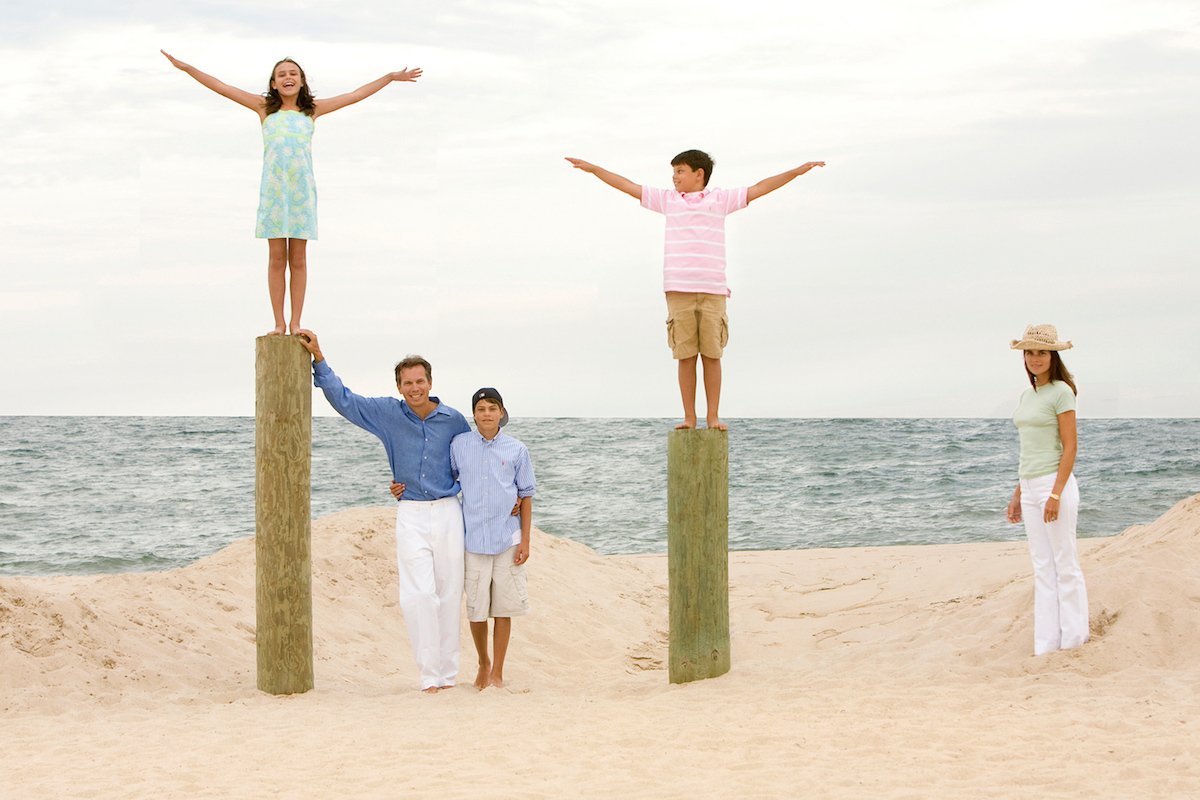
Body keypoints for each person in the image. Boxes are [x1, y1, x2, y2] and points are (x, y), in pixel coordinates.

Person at [161, 51, 422, 335]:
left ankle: (295, 322)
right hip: (274, 193)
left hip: (301, 193)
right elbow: (223, 87)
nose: (288, 77)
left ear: (301, 81)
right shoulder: (264, 108)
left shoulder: (312, 110)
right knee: (276, 258)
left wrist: (389, 77)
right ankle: (279, 323)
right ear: (273, 83)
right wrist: (187, 68)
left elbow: (355, 94)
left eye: (293, 74)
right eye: (282, 74)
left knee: (297, 259)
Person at [565, 151, 824, 430]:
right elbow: (627, 185)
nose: (674, 177)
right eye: (674, 172)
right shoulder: (668, 201)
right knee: (686, 356)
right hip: (678, 289)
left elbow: (760, 187)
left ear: (699, 174)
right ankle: (690, 417)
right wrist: (594, 169)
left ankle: (712, 417)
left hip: (713, 290)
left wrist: (796, 172)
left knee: (712, 356)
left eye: (680, 171)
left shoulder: (720, 200)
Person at [297, 329, 469, 693]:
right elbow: (346, 401)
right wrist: (320, 360)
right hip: (411, 512)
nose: (414, 388)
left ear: (430, 381)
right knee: (418, 595)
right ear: (399, 386)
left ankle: (448, 674)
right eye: (407, 383)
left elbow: (473, 461)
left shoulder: (454, 421)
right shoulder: (388, 414)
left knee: (449, 593)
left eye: (419, 381)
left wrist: (511, 494)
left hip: (449, 511)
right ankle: (429, 676)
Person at [1004, 324, 1089, 656]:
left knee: (1065, 563)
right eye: (1029, 352)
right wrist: (1018, 493)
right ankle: (1046, 644)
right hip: (1029, 486)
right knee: (1042, 566)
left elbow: (1069, 448)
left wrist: (1055, 494)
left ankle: (1074, 640)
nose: (1034, 358)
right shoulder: (1027, 396)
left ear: (1053, 356)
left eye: (1041, 352)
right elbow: (1030, 449)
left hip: (1056, 484)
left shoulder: (1062, 392)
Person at [448, 388, 535, 689]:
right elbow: (448, 479)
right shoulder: (459, 445)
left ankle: (498, 671)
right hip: (473, 540)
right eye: (481, 408)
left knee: (503, 609)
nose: (486, 413)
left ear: (502, 413)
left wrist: (525, 540)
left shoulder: (517, 449)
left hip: (506, 540)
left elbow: (525, 495)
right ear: (473, 414)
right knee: (476, 609)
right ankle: (483, 663)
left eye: (492, 408)